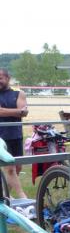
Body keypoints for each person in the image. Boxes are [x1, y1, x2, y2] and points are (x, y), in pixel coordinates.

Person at [0, 69, 29, 199]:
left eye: (0, 78)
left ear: (8, 78)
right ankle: (23, 198)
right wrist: (18, 111)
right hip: (1, 138)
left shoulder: (19, 93)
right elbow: (20, 111)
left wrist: (5, 111)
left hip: (16, 135)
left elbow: (25, 113)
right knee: (10, 168)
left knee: (17, 168)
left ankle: (4, 196)